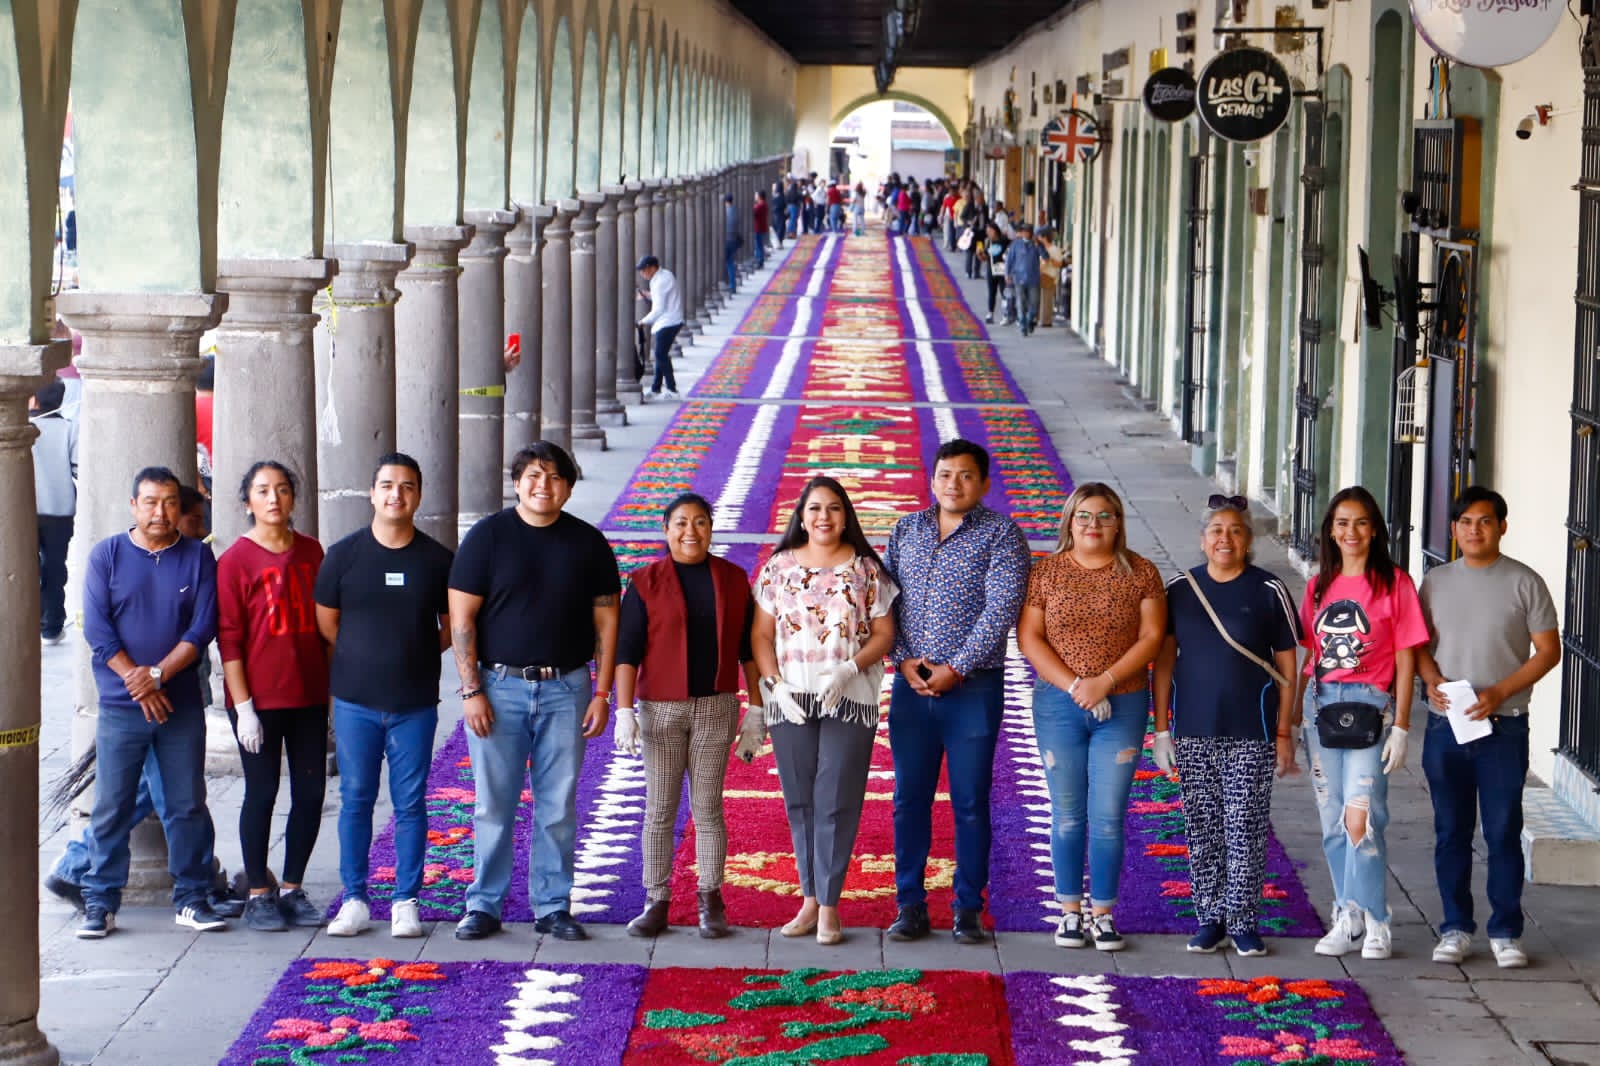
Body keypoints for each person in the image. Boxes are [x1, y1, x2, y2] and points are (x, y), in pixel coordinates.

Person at [448, 441, 620, 942]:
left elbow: (608, 624)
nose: (543, 485)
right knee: (493, 804)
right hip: (499, 688)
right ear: (517, 481)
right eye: (533, 475)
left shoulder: (588, 543)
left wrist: (602, 693)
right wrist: (470, 690)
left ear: (568, 486)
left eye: (555, 477)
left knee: (558, 803)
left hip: (567, 688)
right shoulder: (487, 538)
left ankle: (552, 904)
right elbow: (462, 619)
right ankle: (483, 904)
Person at [47, 486, 235, 915]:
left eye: (172, 507)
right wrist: (141, 684)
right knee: (125, 800)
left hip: (177, 697)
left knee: (180, 800)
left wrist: (156, 677)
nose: (200, 532)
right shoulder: (109, 555)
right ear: (134, 505)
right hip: (127, 702)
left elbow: (200, 629)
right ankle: (92, 882)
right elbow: (98, 629)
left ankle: (193, 890)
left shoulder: (195, 558)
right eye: (196, 522)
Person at [883, 440, 1030, 944]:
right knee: (909, 799)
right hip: (910, 685)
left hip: (973, 688)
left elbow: (1001, 610)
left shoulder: (1003, 535)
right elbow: (887, 602)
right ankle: (910, 906)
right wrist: (902, 659)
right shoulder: (907, 530)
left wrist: (956, 668)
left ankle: (968, 907)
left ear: (984, 484)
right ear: (932, 479)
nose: (954, 484)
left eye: (966, 476)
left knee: (969, 800)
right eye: (945, 474)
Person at [1019, 482, 1166, 952]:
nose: (1093, 525)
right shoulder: (1046, 573)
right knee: (1066, 815)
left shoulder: (1141, 572)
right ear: (1069, 521)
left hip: (1120, 704)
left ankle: (1102, 913)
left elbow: (1152, 636)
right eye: (1084, 515)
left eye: (1104, 516)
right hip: (1060, 706)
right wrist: (1076, 686)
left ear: (1119, 522)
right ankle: (1068, 913)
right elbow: (1030, 639)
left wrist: (1105, 680)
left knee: (1107, 815)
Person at [1416, 487, 1560, 969]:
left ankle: (1505, 931)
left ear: (1502, 526)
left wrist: (1499, 691)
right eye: (1465, 521)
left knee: (1502, 831)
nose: (1474, 529)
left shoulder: (1525, 582)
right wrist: (1431, 679)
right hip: (1446, 725)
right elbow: (1417, 645)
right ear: (1453, 529)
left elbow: (1548, 651)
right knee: (1450, 831)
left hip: (1505, 726)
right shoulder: (1435, 582)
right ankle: (1455, 928)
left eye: (1484, 521)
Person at [1152, 495, 1301, 957]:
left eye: (1235, 530)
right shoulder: (1180, 590)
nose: (1225, 538)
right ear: (1202, 539)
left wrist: (1283, 732)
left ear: (1249, 540)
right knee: (1202, 826)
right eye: (1216, 530)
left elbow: (1288, 666)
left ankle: (1242, 920)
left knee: (1245, 824)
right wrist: (1161, 728)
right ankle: (1209, 918)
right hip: (1194, 728)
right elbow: (1163, 664)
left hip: (1252, 730)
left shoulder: (1268, 590)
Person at [752, 477, 897, 946]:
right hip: (790, 696)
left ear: (845, 515)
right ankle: (809, 898)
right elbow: (760, 635)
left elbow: (883, 634)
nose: (823, 517)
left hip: (847, 696)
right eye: (814, 508)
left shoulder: (866, 569)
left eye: (833, 509)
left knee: (836, 797)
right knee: (800, 798)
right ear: (801, 514)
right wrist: (775, 682)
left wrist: (850, 668)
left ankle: (830, 905)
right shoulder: (778, 568)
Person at [614, 493, 763, 939]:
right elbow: (626, 651)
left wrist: (757, 707)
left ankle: (710, 899)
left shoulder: (734, 579)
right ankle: (656, 899)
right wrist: (624, 710)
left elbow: (748, 650)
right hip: (660, 708)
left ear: (711, 529)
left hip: (716, 706)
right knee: (659, 807)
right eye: (681, 523)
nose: (691, 532)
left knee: (707, 808)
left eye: (700, 522)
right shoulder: (644, 582)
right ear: (666, 529)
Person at [318, 453, 453, 938]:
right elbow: (328, 624)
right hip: (355, 700)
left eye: (407, 486)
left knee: (411, 801)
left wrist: (412, 651)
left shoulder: (436, 560)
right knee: (355, 797)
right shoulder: (343, 555)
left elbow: (450, 625)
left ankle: (405, 900)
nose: (397, 494)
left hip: (414, 703)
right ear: (372, 493)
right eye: (387, 485)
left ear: (418, 495)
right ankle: (354, 898)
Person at [1294, 486, 1428, 961]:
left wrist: (1403, 725)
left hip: (1373, 708)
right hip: (1322, 707)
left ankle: (1376, 920)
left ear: (1375, 530)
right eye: (1342, 523)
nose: (1351, 532)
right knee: (1333, 821)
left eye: (1361, 523)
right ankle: (1347, 916)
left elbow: (1407, 657)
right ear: (1331, 530)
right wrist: (1293, 718)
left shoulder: (1395, 584)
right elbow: (1312, 655)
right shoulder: (1319, 585)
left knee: (1363, 818)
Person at [218, 460, 330, 932]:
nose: (273, 499)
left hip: (309, 694)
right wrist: (244, 709)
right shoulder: (235, 561)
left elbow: (327, 625)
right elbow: (229, 638)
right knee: (261, 791)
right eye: (262, 491)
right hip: (258, 700)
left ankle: (293, 885)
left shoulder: (311, 551)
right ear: (247, 501)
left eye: (282, 490)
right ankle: (259, 893)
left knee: (310, 792)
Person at [31, 378, 77, 644]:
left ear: (32, 399)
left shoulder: (23, 428)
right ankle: (52, 625)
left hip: (25, 510)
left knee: (28, 565)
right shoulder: (70, 428)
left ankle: (31, 617)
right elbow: (79, 467)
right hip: (60, 509)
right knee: (55, 566)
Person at [636, 255, 684, 401]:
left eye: (643, 270)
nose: (642, 274)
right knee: (660, 354)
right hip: (671, 320)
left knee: (660, 355)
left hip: (668, 321)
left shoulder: (659, 282)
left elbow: (659, 309)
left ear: (652, 268)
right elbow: (660, 298)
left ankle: (672, 389)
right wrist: (647, 295)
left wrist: (642, 322)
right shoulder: (664, 276)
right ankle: (656, 388)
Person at [1004, 223, 1045, 336]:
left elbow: (1046, 257)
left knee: (1034, 303)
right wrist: (1007, 274)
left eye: (1029, 232)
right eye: (1025, 231)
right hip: (1019, 277)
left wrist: (1040, 246)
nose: (1027, 234)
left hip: (1033, 278)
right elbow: (1009, 260)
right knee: (1020, 302)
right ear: (1022, 233)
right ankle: (1023, 325)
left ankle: (1030, 319)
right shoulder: (1016, 244)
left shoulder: (1036, 244)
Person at [981, 222, 1009, 325]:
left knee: (1004, 291)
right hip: (991, 268)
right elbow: (986, 257)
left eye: (990, 231)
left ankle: (1006, 314)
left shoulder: (1004, 240)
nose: (989, 233)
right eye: (987, 231)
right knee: (991, 292)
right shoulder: (988, 242)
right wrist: (981, 255)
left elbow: (1008, 252)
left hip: (1001, 268)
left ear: (996, 230)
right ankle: (990, 313)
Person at [1038, 227, 1064, 329]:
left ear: (1044, 238)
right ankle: (1040, 319)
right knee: (1040, 299)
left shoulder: (1054, 249)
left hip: (1050, 276)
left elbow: (1059, 264)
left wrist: (1049, 260)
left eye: (1040, 237)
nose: (1038, 239)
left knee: (1047, 300)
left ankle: (1047, 321)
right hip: (1040, 275)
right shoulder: (1040, 249)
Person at [722, 193, 741, 296]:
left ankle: (731, 284)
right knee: (730, 262)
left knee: (728, 262)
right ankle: (731, 283)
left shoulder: (725, 212)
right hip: (733, 239)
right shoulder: (735, 210)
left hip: (727, 240)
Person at [752, 189, 769, 270]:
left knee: (758, 245)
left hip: (758, 228)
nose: (755, 197)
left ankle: (759, 261)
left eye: (756, 195)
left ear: (759, 196)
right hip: (761, 227)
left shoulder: (760, 205)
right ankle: (760, 260)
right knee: (760, 245)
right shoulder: (764, 204)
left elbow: (754, 212)